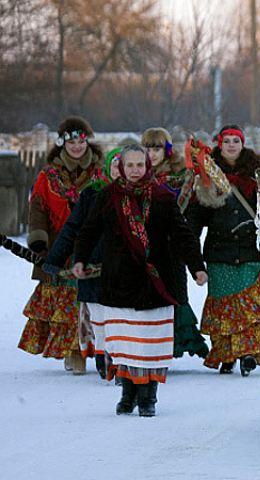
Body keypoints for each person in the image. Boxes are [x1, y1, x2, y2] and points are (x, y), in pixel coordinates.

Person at [73, 144, 207, 416]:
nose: (135, 170)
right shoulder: (108, 196)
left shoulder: (161, 197)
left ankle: (148, 396)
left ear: (148, 167)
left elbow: (182, 234)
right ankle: (127, 392)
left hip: (154, 282)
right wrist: (80, 259)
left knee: (149, 342)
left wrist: (197, 267)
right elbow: (89, 230)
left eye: (140, 165)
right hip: (119, 281)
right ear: (121, 167)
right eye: (130, 165)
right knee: (125, 343)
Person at [186, 125, 260, 374]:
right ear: (219, 144)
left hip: (251, 250)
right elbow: (193, 222)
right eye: (226, 141)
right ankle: (227, 354)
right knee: (225, 308)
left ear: (243, 144)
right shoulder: (206, 176)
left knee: (252, 307)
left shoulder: (255, 174)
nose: (231, 145)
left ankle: (248, 354)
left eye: (236, 141)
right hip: (220, 254)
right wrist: (194, 263)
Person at [18, 116, 103, 374]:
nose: (77, 146)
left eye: (81, 141)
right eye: (71, 142)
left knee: (91, 302)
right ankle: (73, 351)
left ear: (87, 141)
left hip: (92, 246)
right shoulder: (49, 174)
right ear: (62, 144)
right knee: (65, 303)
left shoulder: (100, 172)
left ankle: (93, 350)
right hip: (59, 245)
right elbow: (38, 208)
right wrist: (39, 241)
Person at [43, 148, 121, 379]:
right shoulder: (91, 195)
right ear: (108, 166)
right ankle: (100, 355)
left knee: (118, 315)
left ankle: (116, 357)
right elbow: (72, 228)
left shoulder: (139, 195)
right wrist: (55, 258)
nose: (120, 169)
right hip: (92, 265)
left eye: (124, 164)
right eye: (115, 164)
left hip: (124, 268)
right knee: (97, 315)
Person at [142, 127, 209, 359]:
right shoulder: (138, 174)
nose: (152, 154)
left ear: (167, 150)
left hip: (173, 245)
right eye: (148, 148)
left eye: (157, 148)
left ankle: (177, 342)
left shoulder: (182, 177)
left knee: (176, 293)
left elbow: (191, 211)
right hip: (146, 247)